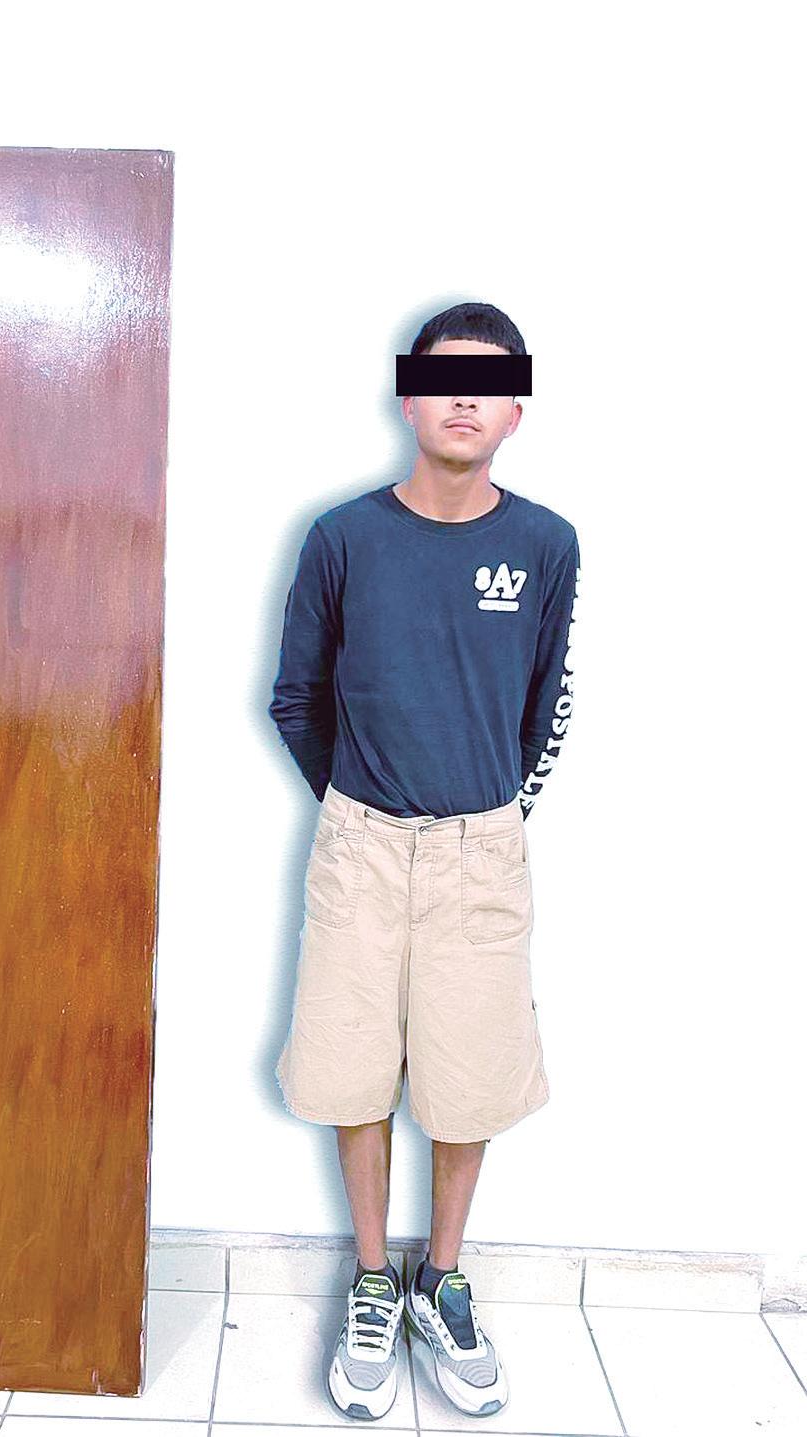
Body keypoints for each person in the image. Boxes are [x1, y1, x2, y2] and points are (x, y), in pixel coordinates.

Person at [267, 302, 580, 1421]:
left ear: (515, 410)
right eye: (445, 379)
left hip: (479, 853)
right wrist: (362, 804)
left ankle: (441, 1277)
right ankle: (370, 1279)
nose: (464, 399)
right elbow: (296, 695)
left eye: (490, 384)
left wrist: (485, 815)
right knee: (352, 1064)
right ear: (408, 396)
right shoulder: (343, 538)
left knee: (468, 1072)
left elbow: (547, 703)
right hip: (360, 848)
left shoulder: (546, 544)